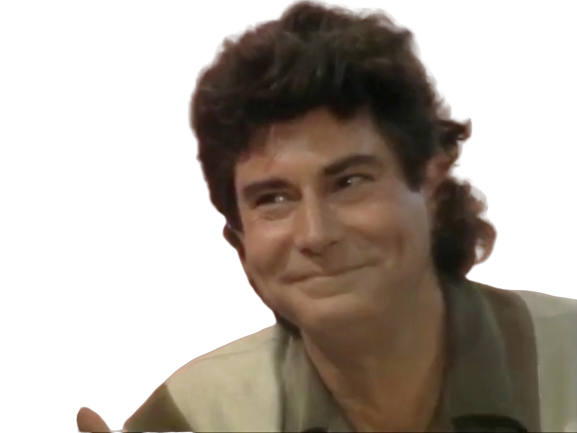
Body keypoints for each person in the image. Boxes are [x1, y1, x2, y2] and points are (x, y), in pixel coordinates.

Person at [77, 0, 577, 431]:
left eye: (349, 182)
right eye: (273, 199)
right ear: (240, 244)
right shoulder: (198, 415)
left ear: (430, 188)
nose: (315, 234)